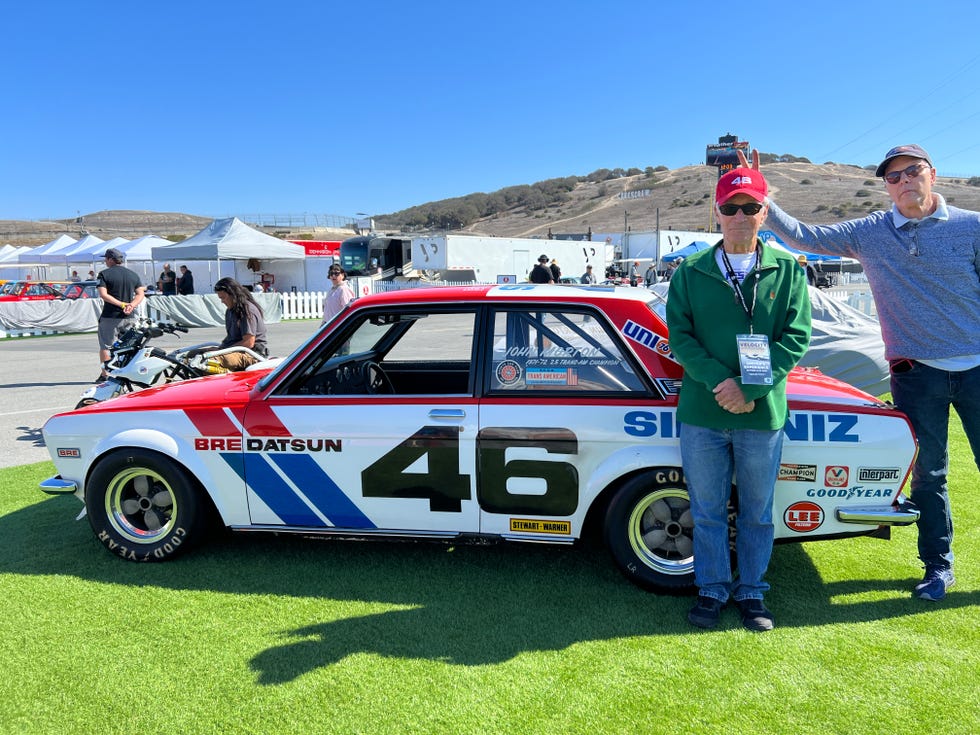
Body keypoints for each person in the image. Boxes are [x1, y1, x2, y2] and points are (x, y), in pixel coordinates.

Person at [741, 143, 980, 602]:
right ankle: (938, 566)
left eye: (913, 171)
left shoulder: (971, 226)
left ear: (933, 173)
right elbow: (806, 237)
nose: (905, 181)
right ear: (886, 187)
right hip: (917, 373)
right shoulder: (871, 230)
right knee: (929, 474)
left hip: (978, 368)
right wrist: (762, 200)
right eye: (894, 177)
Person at [666, 167, 811, 631]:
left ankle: (751, 591)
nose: (740, 216)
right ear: (717, 213)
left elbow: (796, 338)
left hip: (761, 413)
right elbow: (681, 339)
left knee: (756, 510)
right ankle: (711, 589)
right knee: (706, 510)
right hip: (703, 412)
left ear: (765, 212)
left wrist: (747, 388)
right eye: (730, 208)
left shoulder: (787, 270)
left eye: (750, 207)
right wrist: (721, 384)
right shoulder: (690, 272)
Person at [95, 248, 146, 382]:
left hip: (110, 316)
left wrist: (121, 304)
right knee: (129, 345)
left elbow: (103, 294)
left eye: (106, 259)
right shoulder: (132, 274)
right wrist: (131, 305)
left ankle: (106, 374)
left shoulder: (104, 274)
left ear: (111, 260)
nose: (105, 261)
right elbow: (140, 293)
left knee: (106, 346)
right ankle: (127, 372)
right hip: (130, 315)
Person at [212, 277, 268, 371]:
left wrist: (222, 351)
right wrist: (217, 349)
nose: (222, 301)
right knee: (194, 356)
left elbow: (249, 342)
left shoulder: (247, 310)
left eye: (223, 298)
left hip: (252, 354)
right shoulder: (230, 311)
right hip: (237, 351)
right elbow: (231, 338)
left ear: (233, 295)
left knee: (210, 361)